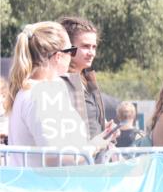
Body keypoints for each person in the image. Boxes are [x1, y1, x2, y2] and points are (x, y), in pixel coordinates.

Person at [5, 22, 115, 165]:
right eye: (71, 51)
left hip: (33, 184)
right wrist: (94, 146)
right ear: (58, 56)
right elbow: (57, 157)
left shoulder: (28, 90)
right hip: (47, 186)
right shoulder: (43, 94)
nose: (71, 57)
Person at [59, 16, 118, 139]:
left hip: (97, 156)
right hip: (78, 156)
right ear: (69, 47)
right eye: (85, 46)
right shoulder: (60, 82)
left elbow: (91, 122)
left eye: (94, 47)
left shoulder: (88, 79)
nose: (91, 53)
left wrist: (107, 128)